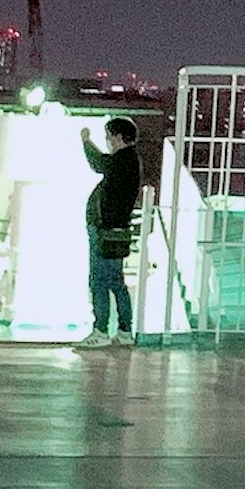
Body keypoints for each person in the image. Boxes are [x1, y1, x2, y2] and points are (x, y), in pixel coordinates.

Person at [89, 117, 147, 336]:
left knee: (101, 280)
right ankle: (124, 331)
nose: (108, 141)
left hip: (108, 231)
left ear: (119, 137)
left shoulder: (123, 161)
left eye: (109, 136)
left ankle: (101, 330)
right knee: (115, 280)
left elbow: (98, 163)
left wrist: (86, 141)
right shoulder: (129, 161)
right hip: (115, 230)